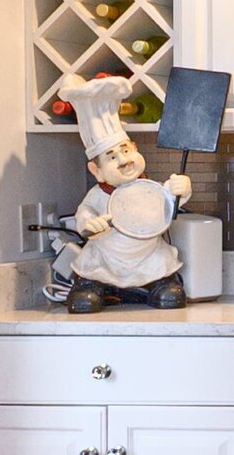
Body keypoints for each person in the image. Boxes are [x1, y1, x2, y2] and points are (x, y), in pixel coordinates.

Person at [49, 74, 190, 313]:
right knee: (87, 293)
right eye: (112, 157)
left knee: (169, 292)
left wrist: (181, 188)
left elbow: (170, 200)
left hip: (149, 257)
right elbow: (85, 213)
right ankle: (92, 287)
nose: (124, 160)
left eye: (126, 151)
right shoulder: (98, 195)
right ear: (97, 171)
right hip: (106, 259)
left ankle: (160, 285)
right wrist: (89, 224)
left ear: (136, 149)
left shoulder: (149, 188)